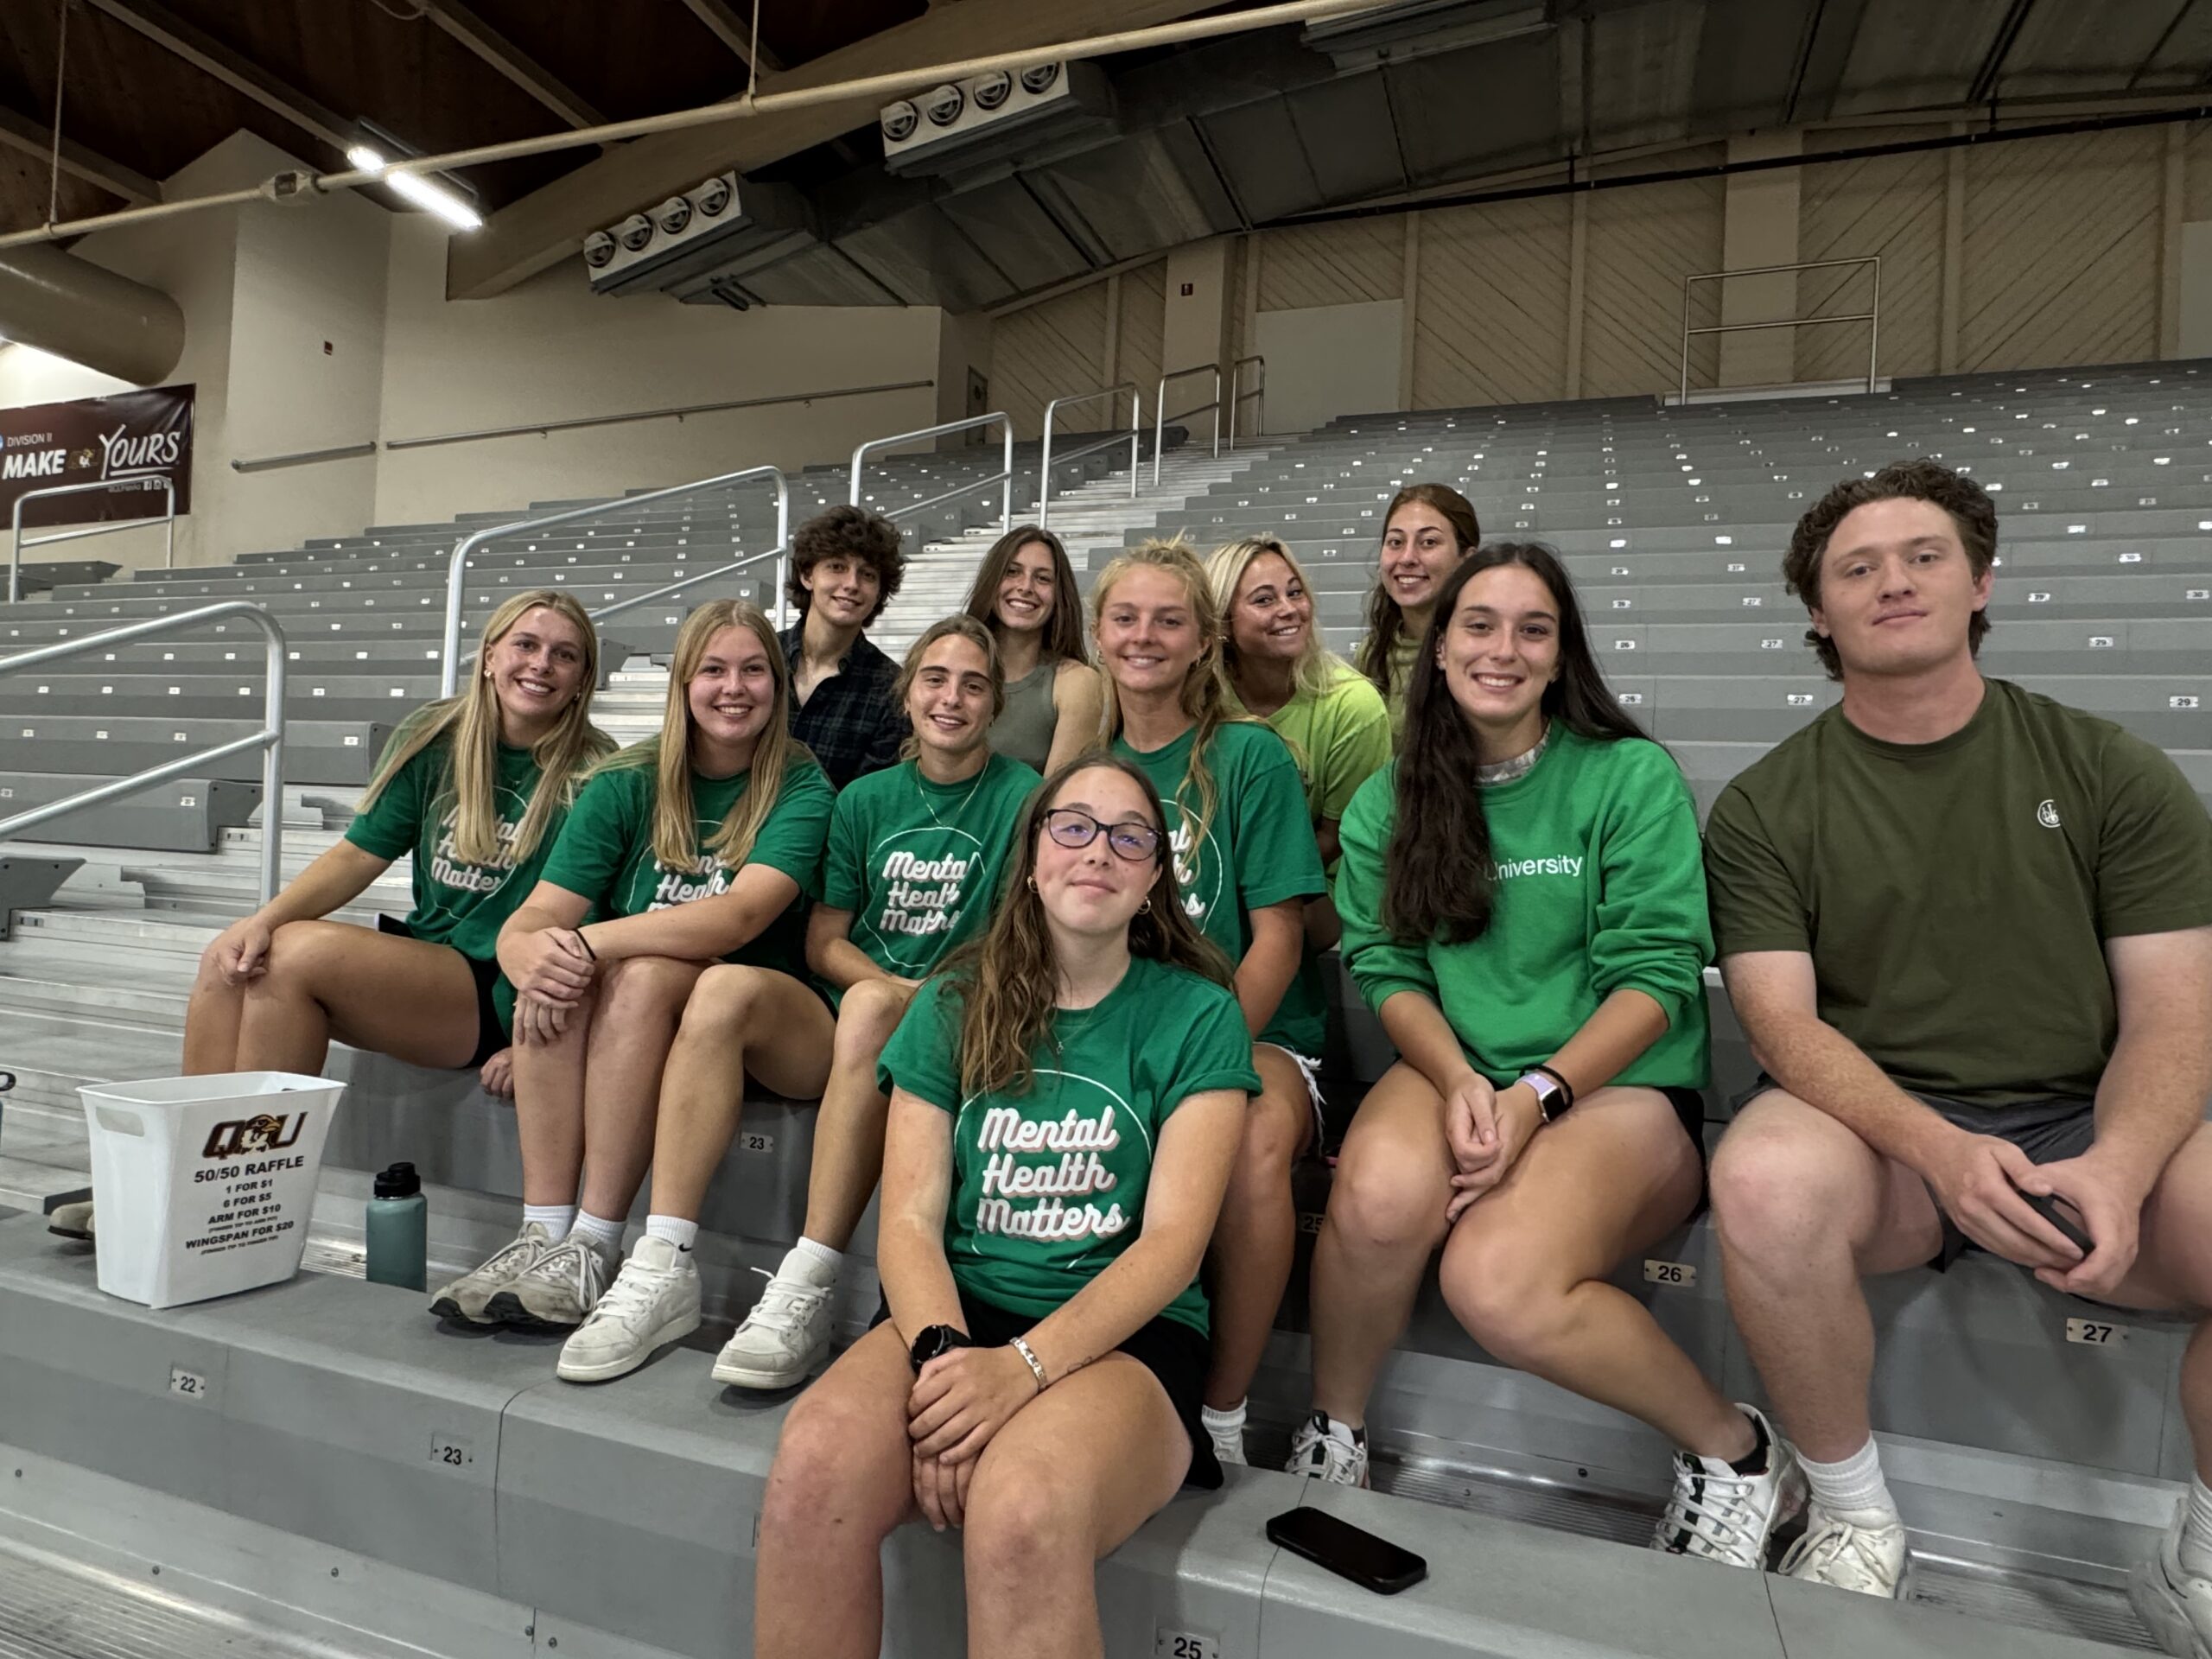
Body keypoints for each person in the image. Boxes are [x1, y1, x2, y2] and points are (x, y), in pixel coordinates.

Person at [1700, 459, 2212, 1621]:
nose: (1893, 582)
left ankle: (2199, 1560)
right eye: (1857, 569)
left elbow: (2174, 1017)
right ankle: (1851, 1515)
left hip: (2083, 1121)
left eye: (1923, 556)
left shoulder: (2108, 770)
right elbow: (1781, 1026)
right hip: (1883, 1137)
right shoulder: (1768, 806)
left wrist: (2120, 1169)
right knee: (1763, 1179)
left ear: (1980, 582)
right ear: (1818, 613)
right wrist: (1938, 1149)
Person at [1297, 545, 1800, 1567]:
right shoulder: (1391, 799)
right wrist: (1458, 1080)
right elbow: (1388, 966)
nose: (1504, 649)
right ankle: (1334, 1434)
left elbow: (1656, 978)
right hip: (1458, 1063)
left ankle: (1739, 1454)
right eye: (1478, 625)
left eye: (1533, 629)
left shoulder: (1626, 776)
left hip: (1614, 1083)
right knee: (1378, 1196)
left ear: (1561, 654)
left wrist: (1533, 1096)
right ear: (1440, 649)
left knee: (1496, 1279)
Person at [753, 755, 1258, 1659]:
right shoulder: (953, 1000)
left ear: (1154, 878)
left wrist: (1020, 1370)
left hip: (1125, 1339)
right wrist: (947, 1365)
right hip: (955, 1313)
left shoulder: (1199, 1014)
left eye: (1129, 837)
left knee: (1022, 1509)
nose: (1098, 851)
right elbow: (908, 1222)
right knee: (812, 1465)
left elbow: (1173, 1248)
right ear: (1030, 858)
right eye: (1074, 826)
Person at [429, 600, 835, 1367]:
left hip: (767, 1018)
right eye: (713, 670)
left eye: (754, 670)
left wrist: (582, 943)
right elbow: (540, 913)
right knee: (561, 971)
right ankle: (544, 1233)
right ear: (683, 685)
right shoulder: (626, 781)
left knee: (628, 971)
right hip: (646, 1020)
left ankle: (597, 1240)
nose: (734, 688)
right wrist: (527, 951)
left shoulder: (802, 784)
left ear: (778, 688)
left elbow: (737, 918)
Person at [715, 615, 1041, 1390]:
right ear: (907, 693)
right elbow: (825, 940)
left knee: (868, 1008)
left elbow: (1018, 939)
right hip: (860, 1012)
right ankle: (675, 1254)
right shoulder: (863, 798)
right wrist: (892, 988)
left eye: (973, 685)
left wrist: (918, 997)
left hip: (969, 1013)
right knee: (774, 995)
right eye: (935, 679)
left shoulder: (1025, 798)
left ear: (996, 704)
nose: (951, 698)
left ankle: (812, 1271)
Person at [1093, 539, 1326, 1468]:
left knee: (1251, 1134)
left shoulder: (1250, 756)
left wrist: (1205, 1056)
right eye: (1125, 618)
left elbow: (1278, 939)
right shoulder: (1087, 769)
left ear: (1202, 641)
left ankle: (1221, 1413)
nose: (1144, 636)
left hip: (1254, 1034)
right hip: (1113, 1030)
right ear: (1098, 635)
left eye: (1169, 620)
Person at [182, 588, 609, 1095]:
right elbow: (358, 854)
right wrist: (261, 922)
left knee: (294, 954)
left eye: (565, 655)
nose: (541, 664)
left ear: (582, 679)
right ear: (490, 656)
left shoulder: (600, 773)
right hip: (429, 961)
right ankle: (207, 1144)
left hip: (506, 988)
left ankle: (254, 1144)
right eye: (526, 645)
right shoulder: (434, 736)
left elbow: (599, 921)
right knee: (231, 956)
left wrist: (539, 1041)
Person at [781, 504, 909, 789]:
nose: (852, 584)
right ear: (807, 575)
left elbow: (866, 799)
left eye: (868, 575)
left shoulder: (892, 689)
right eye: (837, 567)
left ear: (879, 592)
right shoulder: (761, 656)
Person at [962, 523, 1103, 775]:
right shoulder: (952, 669)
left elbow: (1056, 795)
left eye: (1043, 578)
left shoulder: (1076, 683)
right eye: (1012, 572)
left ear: (1059, 595)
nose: (1026, 587)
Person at [1356, 482, 1480, 734]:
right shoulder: (1371, 654)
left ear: (1466, 560)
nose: (1407, 558)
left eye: (1428, 542)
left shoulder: (1483, 650)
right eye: (1396, 542)